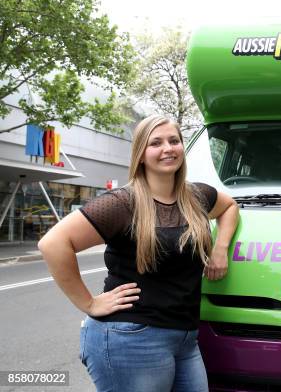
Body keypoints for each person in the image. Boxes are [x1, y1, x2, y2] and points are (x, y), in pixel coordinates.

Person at [38, 115, 239, 392]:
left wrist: (220, 249)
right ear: (141, 154)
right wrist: (89, 304)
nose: (168, 148)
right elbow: (53, 243)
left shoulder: (196, 197)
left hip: (185, 338)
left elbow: (230, 207)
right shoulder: (122, 203)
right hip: (131, 338)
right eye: (155, 143)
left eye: (174, 140)